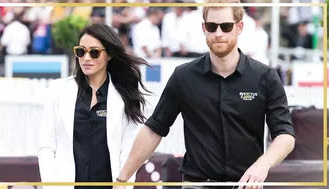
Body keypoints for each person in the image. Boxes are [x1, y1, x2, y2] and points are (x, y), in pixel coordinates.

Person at [114, 0, 296, 189]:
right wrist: (122, 179)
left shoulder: (265, 77)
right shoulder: (183, 76)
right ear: (204, 28)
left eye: (226, 27)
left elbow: (285, 134)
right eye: (212, 26)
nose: (218, 34)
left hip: (246, 185)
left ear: (239, 27)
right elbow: (154, 129)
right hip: (196, 184)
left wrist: (263, 164)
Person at [37, 23, 150, 189]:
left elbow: (128, 153)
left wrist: (122, 185)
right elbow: (46, 147)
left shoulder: (126, 97)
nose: (86, 58)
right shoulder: (58, 91)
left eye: (94, 52)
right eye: (81, 51)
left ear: (109, 55)